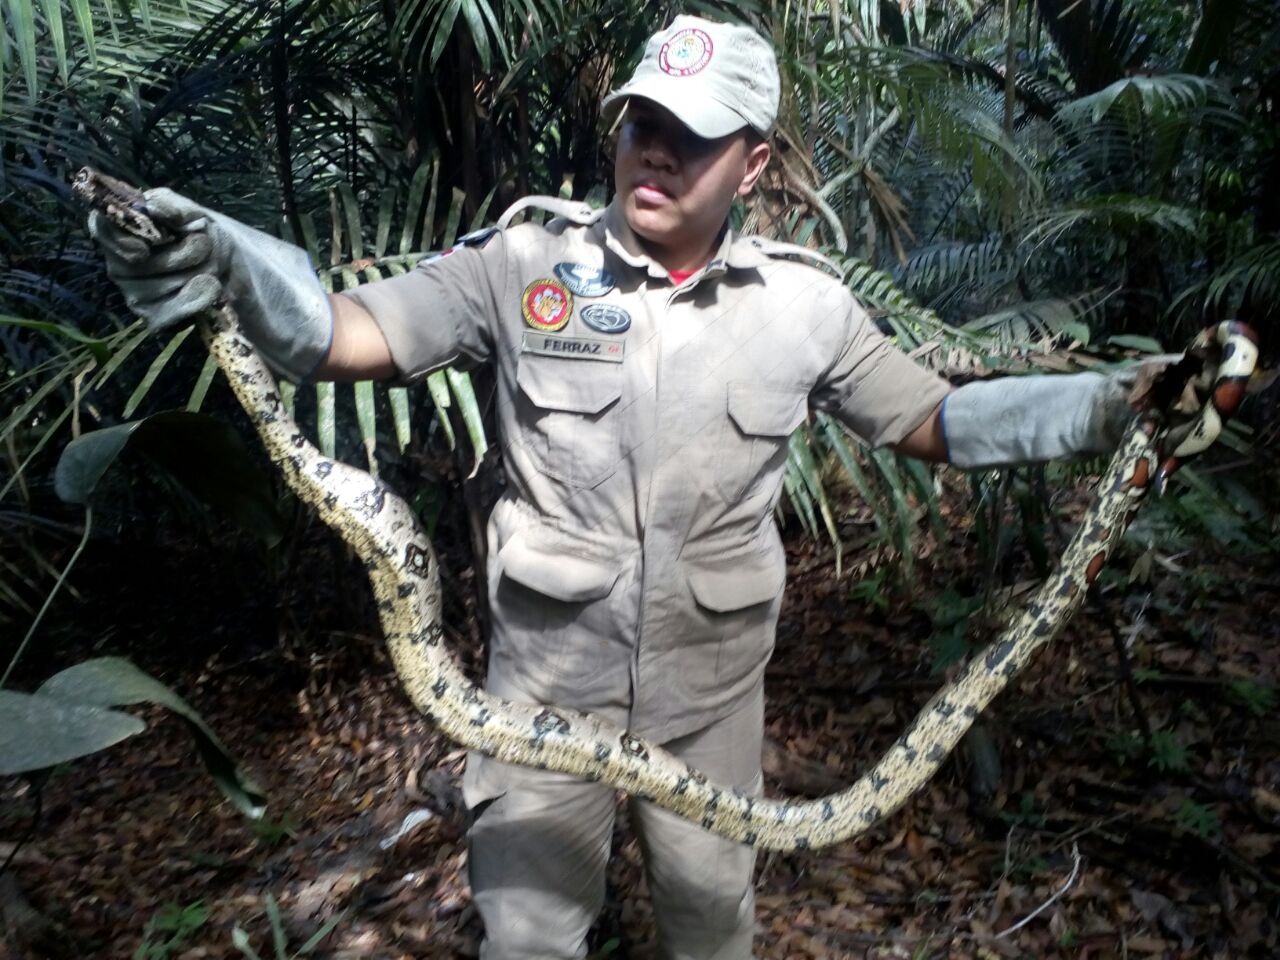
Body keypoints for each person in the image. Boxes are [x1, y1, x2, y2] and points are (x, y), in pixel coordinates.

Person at [90, 15, 1137, 959]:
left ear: (753, 163)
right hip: (538, 705)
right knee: (529, 942)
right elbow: (338, 331)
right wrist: (228, 258)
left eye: (692, 133)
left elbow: (934, 421)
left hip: (709, 711)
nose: (657, 149)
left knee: (709, 934)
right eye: (641, 120)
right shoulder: (519, 261)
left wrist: (1113, 407)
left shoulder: (803, 307)